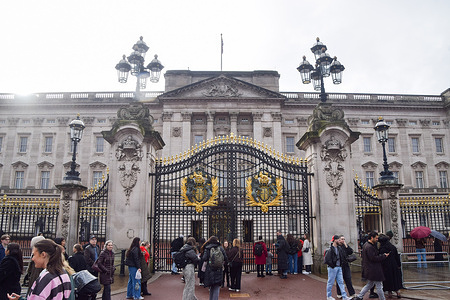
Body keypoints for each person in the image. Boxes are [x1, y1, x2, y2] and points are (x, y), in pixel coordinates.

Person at [354, 231, 389, 300]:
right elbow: (373, 258)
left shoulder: (366, 245)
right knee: (379, 286)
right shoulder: (369, 247)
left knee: (370, 284)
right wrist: (383, 256)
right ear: (372, 237)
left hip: (370, 268)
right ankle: (382, 299)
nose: (377, 240)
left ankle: (359, 296)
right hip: (374, 269)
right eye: (376, 238)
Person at [324, 235, 350, 300]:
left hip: (338, 267)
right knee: (331, 282)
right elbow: (327, 259)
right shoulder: (330, 249)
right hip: (333, 267)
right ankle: (329, 296)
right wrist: (332, 265)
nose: (340, 241)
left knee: (341, 282)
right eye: (338, 240)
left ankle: (344, 296)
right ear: (335, 240)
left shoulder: (339, 248)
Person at [201, 236, 228, 300]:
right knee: (216, 287)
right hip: (219, 269)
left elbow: (204, 258)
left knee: (211, 287)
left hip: (210, 269)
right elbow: (226, 258)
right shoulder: (221, 248)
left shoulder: (207, 248)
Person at [378, 234, 402, 298]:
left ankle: (389, 293)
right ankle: (398, 292)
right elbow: (397, 257)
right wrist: (399, 264)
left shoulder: (382, 248)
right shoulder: (393, 247)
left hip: (385, 266)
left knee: (388, 280)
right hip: (393, 265)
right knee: (395, 279)